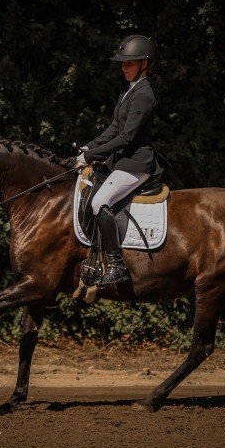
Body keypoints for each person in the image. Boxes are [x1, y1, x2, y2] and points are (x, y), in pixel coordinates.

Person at [75, 34, 163, 287]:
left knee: (101, 201)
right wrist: (90, 145)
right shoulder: (129, 90)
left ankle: (117, 265)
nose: (123, 67)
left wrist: (91, 156)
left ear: (144, 64)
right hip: (123, 161)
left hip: (137, 163)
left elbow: (126, 137)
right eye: (122, 63)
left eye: (129, 63)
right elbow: (114, 127)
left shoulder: (144, 93)